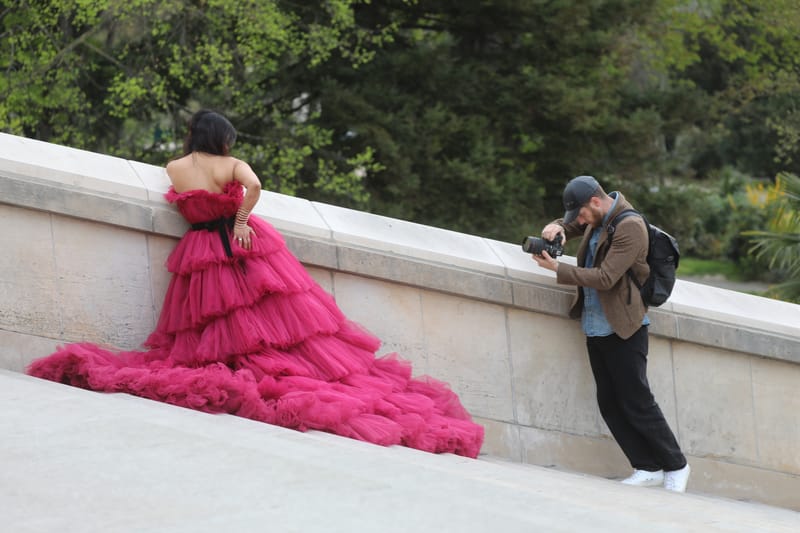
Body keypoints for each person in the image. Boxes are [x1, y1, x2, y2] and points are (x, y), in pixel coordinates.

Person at [27, 110, 484, 459]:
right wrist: (243, 220)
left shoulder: (174, 167)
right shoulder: (231, 164)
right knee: (270, 319)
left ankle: (231, 362)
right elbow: (255, 186)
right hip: (239, 242)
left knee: (212, 321)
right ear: (221, 139)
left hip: (199, 247)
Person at [531, 175, 690, 492]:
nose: (579, 221)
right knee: (610, 402)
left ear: (595, 201)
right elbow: (573, 227)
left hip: (623, 326)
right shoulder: (598, 218)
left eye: (581, 214)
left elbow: (606, 278)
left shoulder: (629, 226)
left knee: (637, 401)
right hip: (594, 323)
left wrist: (557, 269)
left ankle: (676, 465)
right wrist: (556, 226)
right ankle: (646, 467)